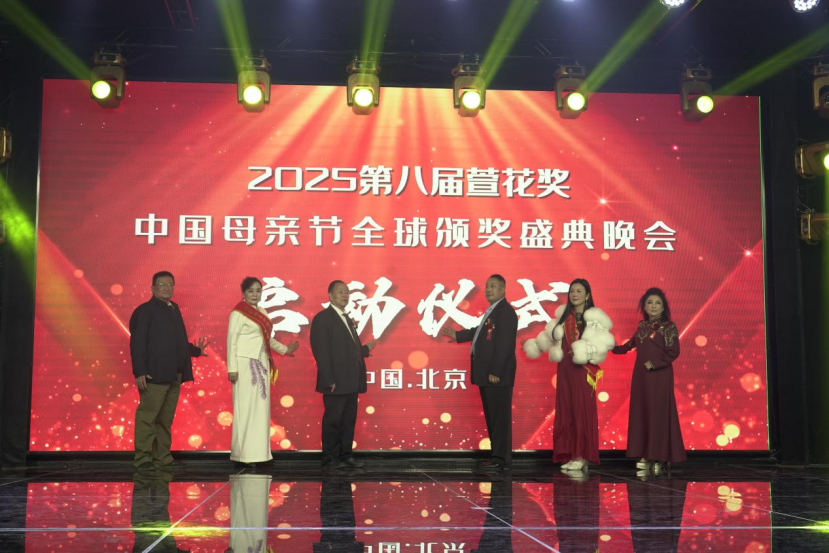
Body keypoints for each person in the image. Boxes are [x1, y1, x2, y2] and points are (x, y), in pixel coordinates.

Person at [523, 279, 615, 472]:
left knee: (581, 411)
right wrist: (535, 346)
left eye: (579, 291)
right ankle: (571, 453)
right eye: (572, 291)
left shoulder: (594, 319)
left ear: (587, 295)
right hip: (565, 370)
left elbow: (605, 344)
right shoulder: (563, 318)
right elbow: (548, 339)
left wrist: (587, 351)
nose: (575, 294)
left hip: (583, 371)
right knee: (567, 410)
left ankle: (582, 456)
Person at [129, 271, 208, 471]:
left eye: (170, 284)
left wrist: (195, 351)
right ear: (152, 288)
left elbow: (177, 341)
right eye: (162, 284)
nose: (166, 288)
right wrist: (140, 371)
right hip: (154, 374)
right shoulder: (144, 311)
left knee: (165, 420)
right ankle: (143, 459)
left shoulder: (173, 308)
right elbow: (137, 343)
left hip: (175, 373)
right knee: (148, 417)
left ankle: (162, 458)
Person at [441, 274, 518, 472]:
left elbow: (505, 346)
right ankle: (497, 458)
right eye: (487, 286)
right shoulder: (494, 311)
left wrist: (496, 371)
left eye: (493, 286)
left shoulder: (505, 312)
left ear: (503, 290)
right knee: (493, 418)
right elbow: (481, 331)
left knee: (499, 420)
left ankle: (501, 460)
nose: (488, 290)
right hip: (488, 375)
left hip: (497, 377)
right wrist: (458, 335)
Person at [612, 287, 686, 473]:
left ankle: (659, 456)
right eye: (650, 302)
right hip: (641, 377)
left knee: (658, 413)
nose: (653, 306)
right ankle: (645, 454)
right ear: (644, 306)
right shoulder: (642, 326)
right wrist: (610, 346)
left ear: (664, 307)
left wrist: (655, 363)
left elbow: (674, 351)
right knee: (642, 413)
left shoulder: (668, 327)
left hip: (659, 376)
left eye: (658, 303)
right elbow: (629, 345)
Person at [226, 276, 299, 466]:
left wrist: (285, 349)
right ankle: (243, 455)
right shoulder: (238, 313)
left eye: (258, 290)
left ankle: (259, 455)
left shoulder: (262, 311)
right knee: (246, 409)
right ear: (243, 293)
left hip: (262, 364)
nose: (255, 294)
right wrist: (232, 368)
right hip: (244, 365)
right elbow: (231, 341)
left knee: (260, 410)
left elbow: (267, 339)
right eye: (251, 291)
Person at [310, 280, 377, 471]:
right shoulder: (323, 318)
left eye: (347, 292)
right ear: (330, 295)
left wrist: (364, 350)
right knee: (333, 421)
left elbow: (347, 349)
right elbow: (321, 351)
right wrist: (328, 378)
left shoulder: (346, 318)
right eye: (340, 292)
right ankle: (330, 459)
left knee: (348, 420)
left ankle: (346, 456)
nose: (345, 295)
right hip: (335, 381)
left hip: (350, 380)